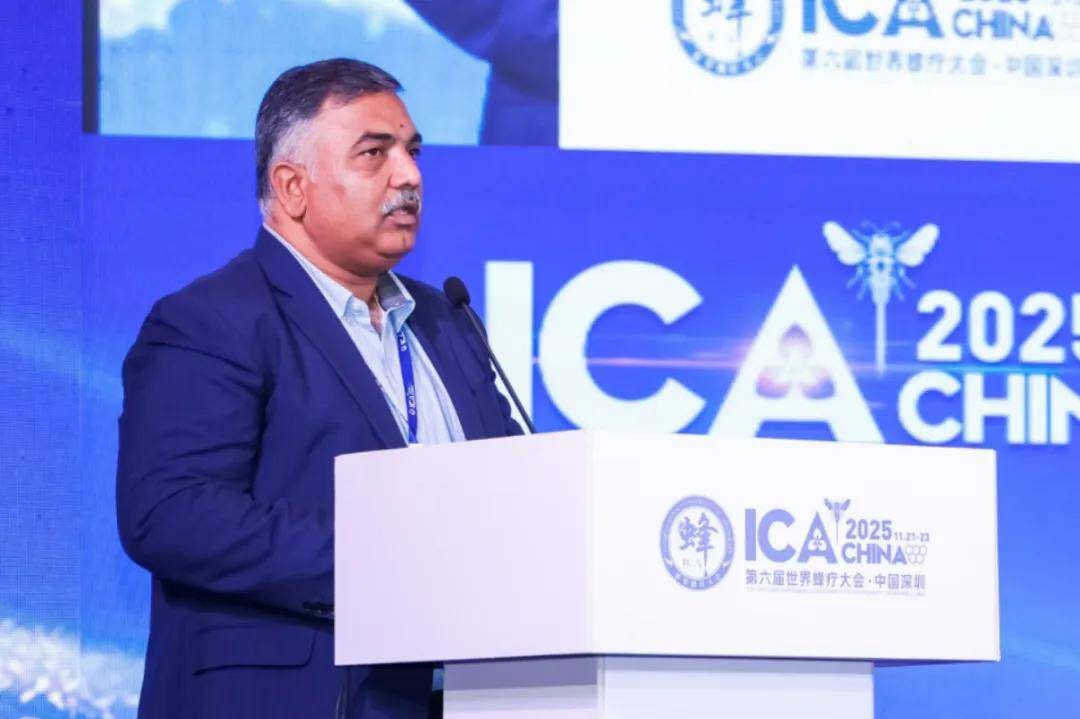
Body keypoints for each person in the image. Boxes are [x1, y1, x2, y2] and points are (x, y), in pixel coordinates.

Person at [116, 58, 522, 719]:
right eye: (374, 153)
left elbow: (516, 487)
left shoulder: (446, 320)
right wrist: (387, 561)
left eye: (413, 152)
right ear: (292, 186)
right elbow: (172, 513)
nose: (409, 176)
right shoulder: (214, 319)